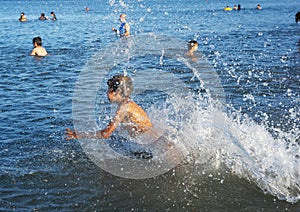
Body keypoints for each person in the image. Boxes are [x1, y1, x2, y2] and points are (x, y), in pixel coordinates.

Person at [66, 75, 153, 140]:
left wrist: (78, 135)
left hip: (152, 143)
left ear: (114, 92)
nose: (106, 93)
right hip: (152, 139)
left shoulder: (124, 108)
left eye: (108, 90)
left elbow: (105, 134)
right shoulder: (128, 104)